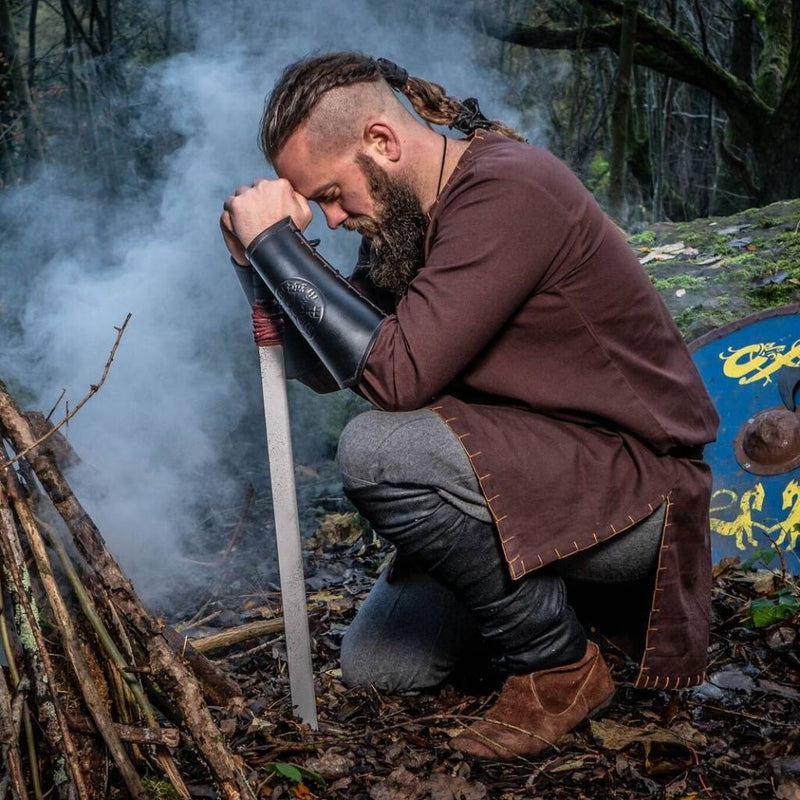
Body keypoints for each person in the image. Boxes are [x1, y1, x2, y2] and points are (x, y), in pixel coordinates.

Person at [220, 52, 719, 760]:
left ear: (382, 141)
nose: (330, 219)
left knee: (376, 448)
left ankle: (557, 666)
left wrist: (278, 241)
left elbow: (396, 379)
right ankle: (547, 602)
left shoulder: (509, 191)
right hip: (517, 479)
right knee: (382, 668)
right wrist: (258, 263)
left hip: (630, 490)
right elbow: (323, 366)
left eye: (331, 194)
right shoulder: (400, 221)